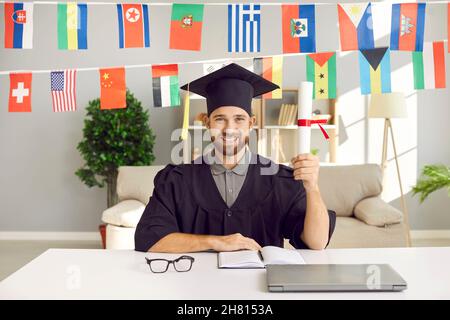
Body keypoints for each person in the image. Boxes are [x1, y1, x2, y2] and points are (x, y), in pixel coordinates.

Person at [135, 63, 336, 253]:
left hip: (260, 286)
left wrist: (312, 187)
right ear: (207, 123)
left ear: (251, 123)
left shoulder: (279, 179)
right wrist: (217, 242)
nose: (229, 129)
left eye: (239, 119)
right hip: (194, 284)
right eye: (220, 119)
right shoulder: (176, 180)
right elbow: (150, 240)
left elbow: (317, 243)